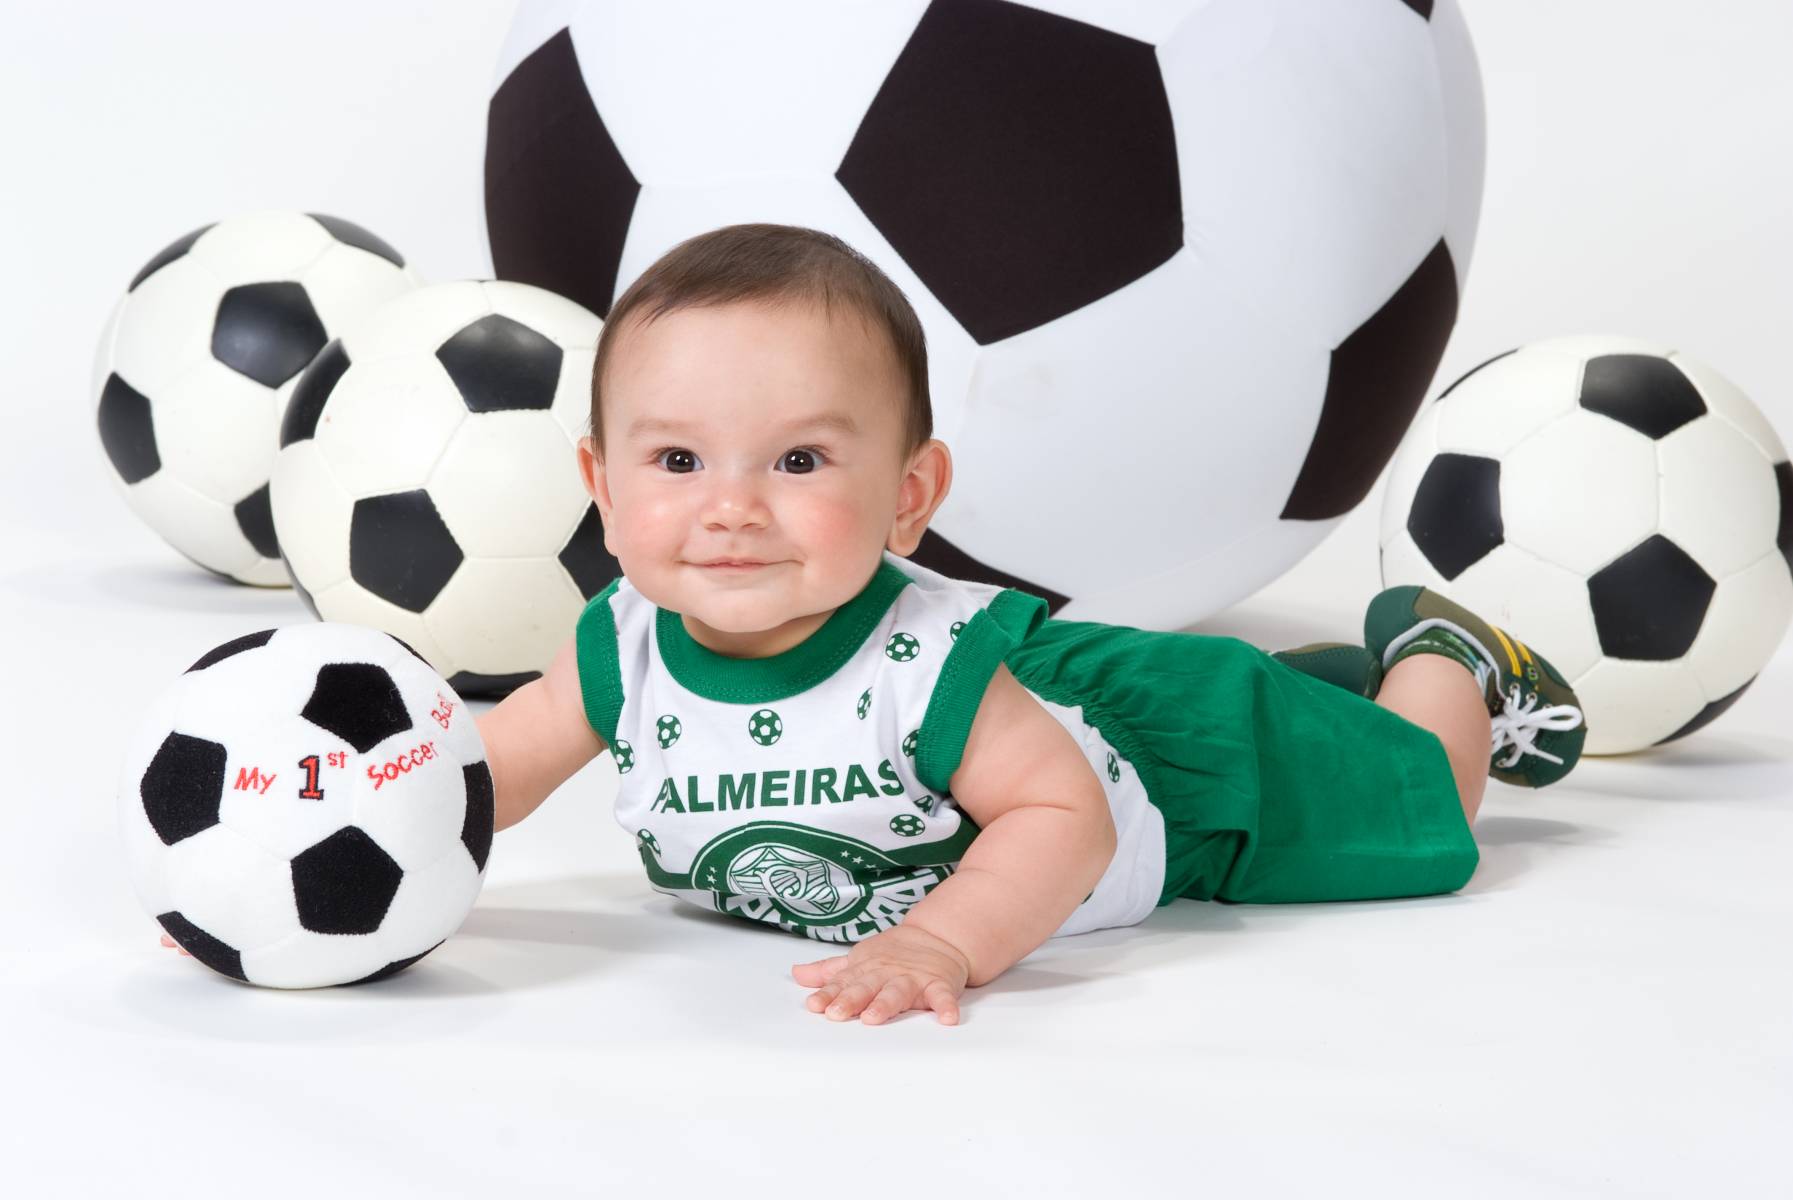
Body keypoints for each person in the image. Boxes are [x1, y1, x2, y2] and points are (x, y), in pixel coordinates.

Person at [172, 223, 1586, 1024]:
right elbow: (472, 787)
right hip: (1075, 735)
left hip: (1161, 761)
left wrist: (945, 944)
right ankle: (1326, 689)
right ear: (600, 491)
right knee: (1345, 761)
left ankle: (1432, 657)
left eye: (798, 463)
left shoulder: (927, 668)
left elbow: (1062, 825)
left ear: (909, 499)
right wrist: (283, 887)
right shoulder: (621, 647)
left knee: (1424, 816)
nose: (731, 510)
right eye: (677, 463)